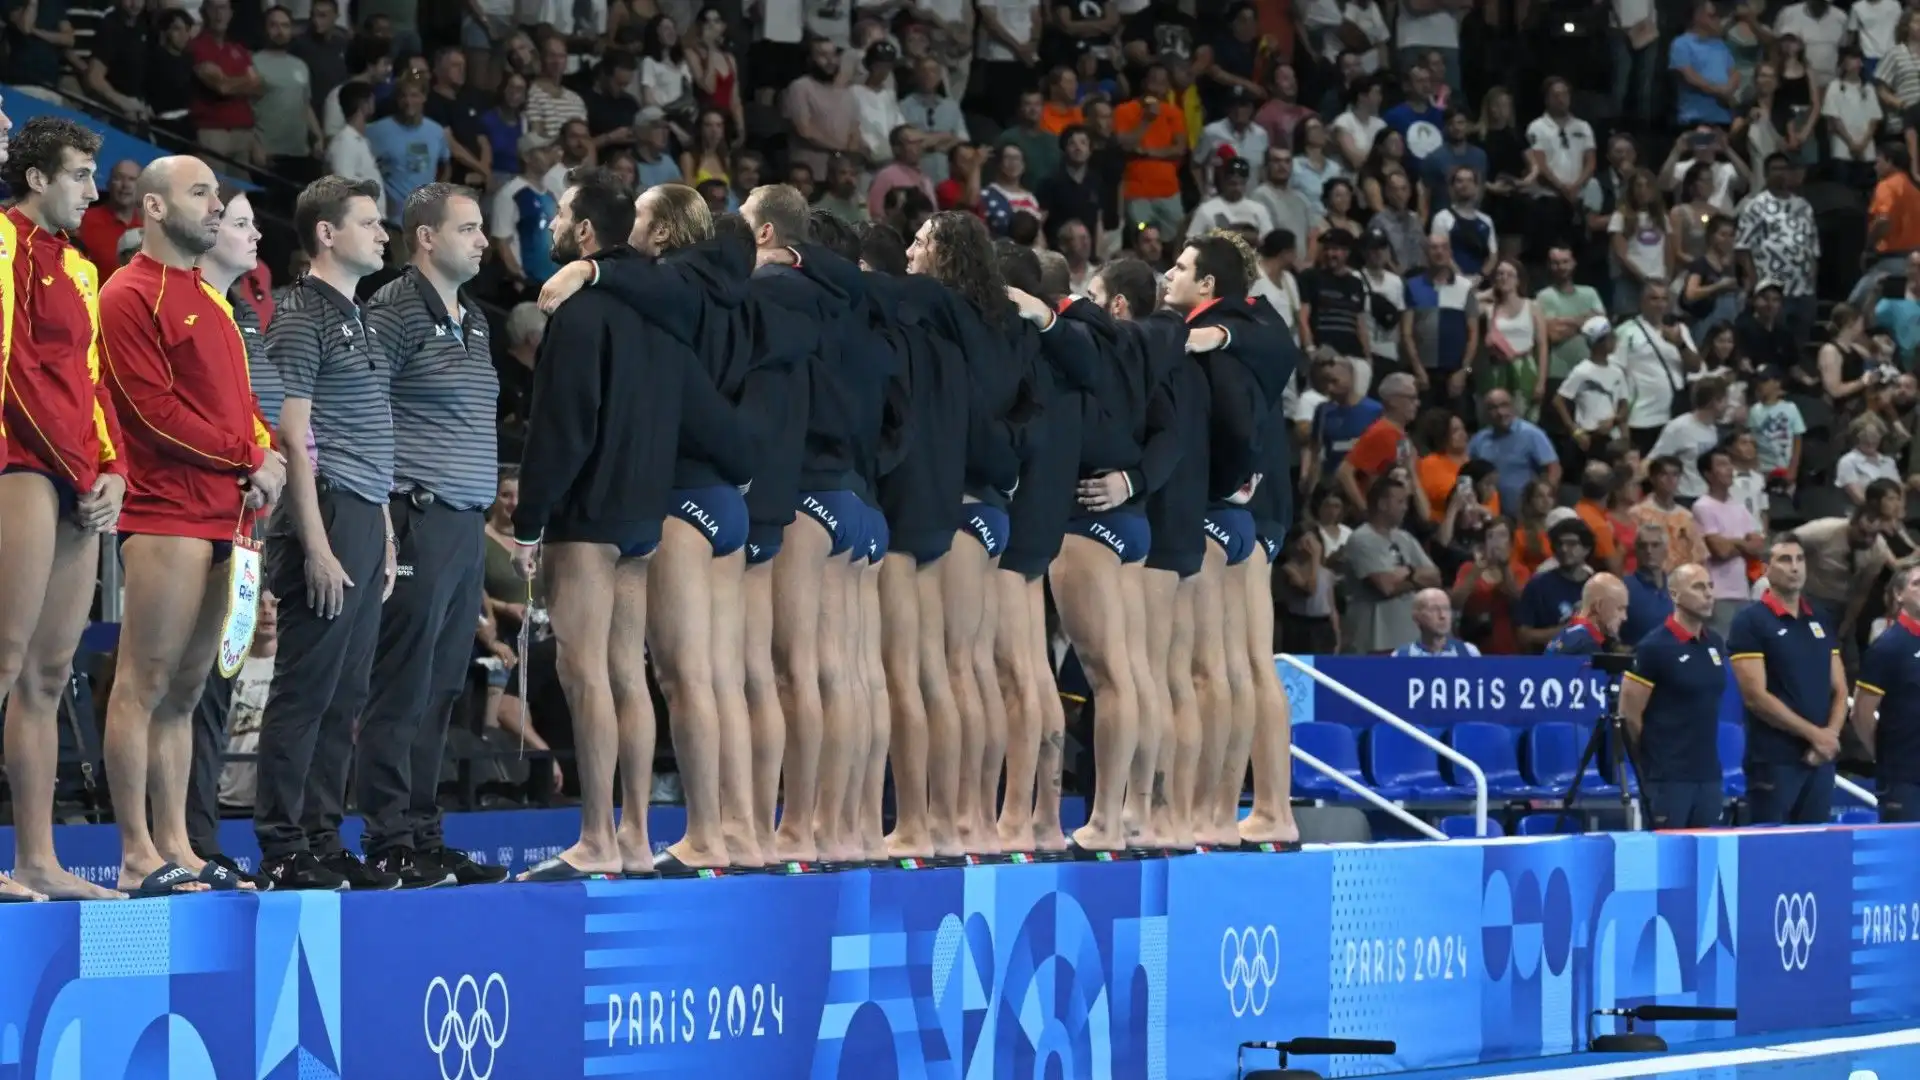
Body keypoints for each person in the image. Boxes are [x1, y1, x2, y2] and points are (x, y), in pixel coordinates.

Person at [97, 154, 285, 898]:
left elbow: (242, 407)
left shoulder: (210, 299)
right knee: (142, 684)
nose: (216, 206)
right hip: (166, 513)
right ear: (151, 206)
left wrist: (265, 452)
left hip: (227, 519)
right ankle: (137, 851)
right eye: (200, 193)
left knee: (187, 692)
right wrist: (249, 452)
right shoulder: (128, 294)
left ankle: (177, 843)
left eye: (217, 193)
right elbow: (148, 411)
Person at [512, 166, 684, 878]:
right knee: (625, 674)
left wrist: (529, 522)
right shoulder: (661, 310)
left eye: (558, 216)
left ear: (584, 232)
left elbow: (562, 428)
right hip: (645, 509)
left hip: (588, 513)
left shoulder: (579, 312)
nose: (550, 226)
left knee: (583, 673)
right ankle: (637, 837)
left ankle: (595, 838)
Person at [351, 184, 508, 887]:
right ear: (425, 238)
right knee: (403, 685)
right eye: (469, 229)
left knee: (444, 687)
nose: (483, 240)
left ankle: (423, 831)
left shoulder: (473, 317)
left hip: (466, 523)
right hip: (415, 516)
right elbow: (359, 408)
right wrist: (383, 517)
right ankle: (389, 838)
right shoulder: (391, 311)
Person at [251, 176, 395, 890]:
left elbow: (374, 438)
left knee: (347, 692)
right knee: (308, 687)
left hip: (365, 514)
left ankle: (320, 836)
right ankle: (282, 845)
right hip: (326, 511)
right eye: (370, 223)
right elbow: (294, 434)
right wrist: (314, 542)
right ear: (327, 234)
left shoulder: (360, 316)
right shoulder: (302, 313)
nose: (383, 234)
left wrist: (387, 533)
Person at [0, 120, 124, 902]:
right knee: (4, 657)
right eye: (80, 176)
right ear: (39, 178)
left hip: (78, 477)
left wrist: (108, 466)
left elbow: (90, 380)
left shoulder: (81, 271)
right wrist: (70, 466)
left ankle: (38, 859)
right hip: (18, 461)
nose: (93, 191)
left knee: (49, 673)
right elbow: (8, 369)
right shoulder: (1, 245)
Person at [1163, 234, 1294, 850]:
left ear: (1212, 285)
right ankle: (1270, 810)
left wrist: (1229, 485)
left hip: (1240, 503)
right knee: (1247, 663)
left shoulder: (1237, 325)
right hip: (1259, 505)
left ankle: (1229, 810)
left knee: (1223, 665)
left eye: (1183, 266)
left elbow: (1272, 347)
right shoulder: (1251, 323)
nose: (1171, 272)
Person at [1728, 535, 1848, 824]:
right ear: (1767, 569)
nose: (1794, 567)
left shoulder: (1820, 617)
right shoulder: (1750, 621)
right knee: (1770, 853)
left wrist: (1829, 736)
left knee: (1816, 851)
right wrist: (1815, 735)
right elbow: (1755, 697)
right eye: (1785, 560)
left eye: (1800, 559)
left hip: (1820, 759)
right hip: (1774, 760)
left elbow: (1840, 688)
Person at [1620, 563, 1728, 828]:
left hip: (1708, 775)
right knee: (1666, 862)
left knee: (1707, 861)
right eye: (1698, 587)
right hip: (1668, 778)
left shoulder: (1714, 642)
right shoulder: (1653, 647)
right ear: (1675, 595)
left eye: (1710, 587)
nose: (1708, 594)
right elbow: (1629, 716)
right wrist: (1653, 764)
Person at [1853, 563, 1920, 822]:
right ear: (1899, 595)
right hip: (1904, 779)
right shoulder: (1889, 647)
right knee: (1907, 859)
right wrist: (1883, 755)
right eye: (1916, 584)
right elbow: (1861, 714)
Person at [1692, 445, 1765, 637]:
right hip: (1717, 593)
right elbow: (1720, 551)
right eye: (1722, 465)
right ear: (1708, 474)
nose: (1730, 469)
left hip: (1742, 589)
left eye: (1729, 464)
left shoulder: (1738, 506)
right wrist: (1742, 543)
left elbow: (1758, 545)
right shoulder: (1703, 506)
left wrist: (1733, 542)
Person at [1544, 571, 1629, 655]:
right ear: (1598, 606)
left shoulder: (1563, 635)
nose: (1624, 617)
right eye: (1620, 609)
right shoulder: (1586, 645)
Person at [1392, 588, 1482, 656]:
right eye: (1434, 609)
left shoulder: (1469, 652)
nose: (1442, 615)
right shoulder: (1401, 656)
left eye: (1446, 609)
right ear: (1417, 617)